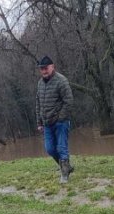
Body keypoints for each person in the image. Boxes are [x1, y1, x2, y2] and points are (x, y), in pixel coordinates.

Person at [35, 55, 74, 184]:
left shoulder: (61, 80)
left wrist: (61, 118)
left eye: (46, 68)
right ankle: (65, 166)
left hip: (60, 122)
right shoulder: (40, 83)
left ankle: (64, 174)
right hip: (46, 123)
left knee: (62, 147)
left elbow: (68, 101)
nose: (44, 71)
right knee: (50, 149)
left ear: (52, 67)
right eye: (42, 69)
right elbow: (38, 103)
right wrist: (39, 122)